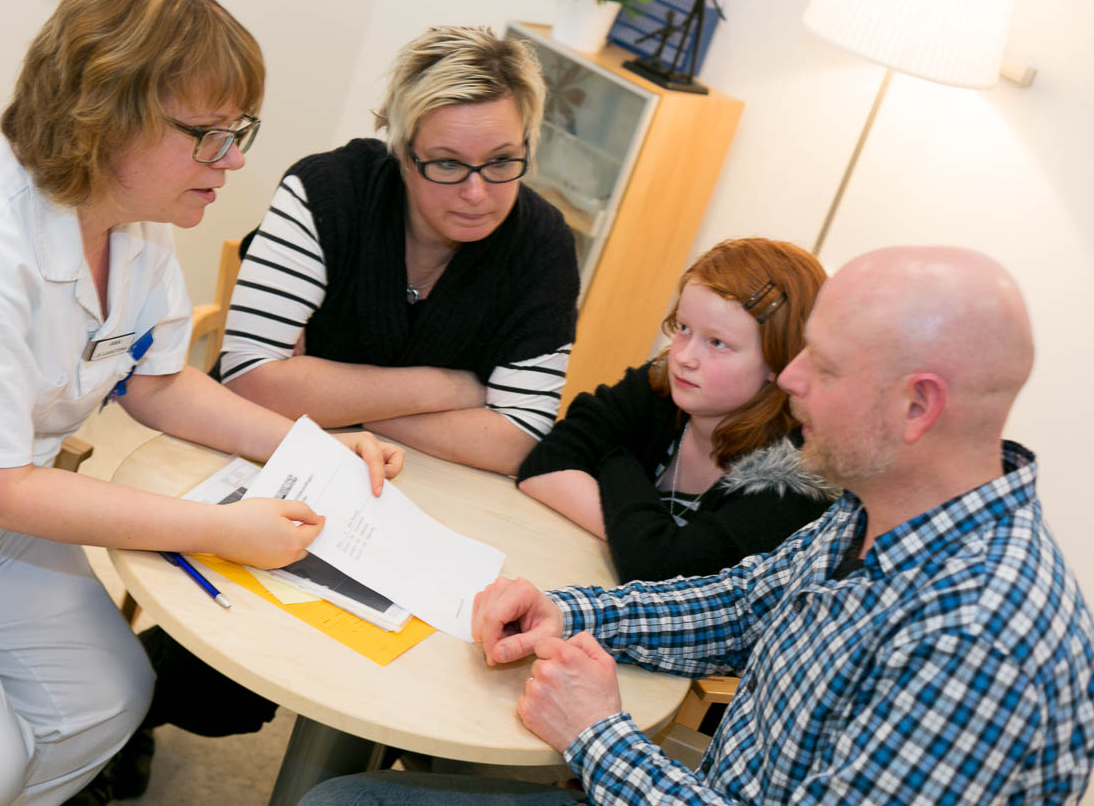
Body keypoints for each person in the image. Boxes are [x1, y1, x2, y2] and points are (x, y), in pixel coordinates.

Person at [0, 0, 401, 804]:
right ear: (106, 117)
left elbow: (158, 382)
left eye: (239, 131)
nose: (234, 161)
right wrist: (223, 531)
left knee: (111, 697)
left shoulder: (126, 219)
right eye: (210, 135)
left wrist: (311, 447)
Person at [300, 246, 1094, 805]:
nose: (789, 378)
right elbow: (738, 603)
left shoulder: (977, 636)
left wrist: (598, 734)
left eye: (823, 365)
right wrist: (569, 611)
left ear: (917, 405)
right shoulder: (878, 508)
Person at [217, 25, 580, 477]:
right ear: (403, 154)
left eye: (501, 161)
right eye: (447, 162)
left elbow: (520, 441)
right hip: (253, 457)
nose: (476, 192)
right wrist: (449, 388)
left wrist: (333, 400)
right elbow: (248, 383)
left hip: (425, 485)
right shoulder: (328, 192)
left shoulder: (542, 244)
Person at [518, 238, 836, 584]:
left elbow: (667, 572)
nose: (683, 357)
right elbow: (543, 465)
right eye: (683, 328)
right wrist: (641, 542)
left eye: (717, 343)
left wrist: (615, 462)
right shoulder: (661, 385)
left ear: (780, 361)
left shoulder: (797, 470)